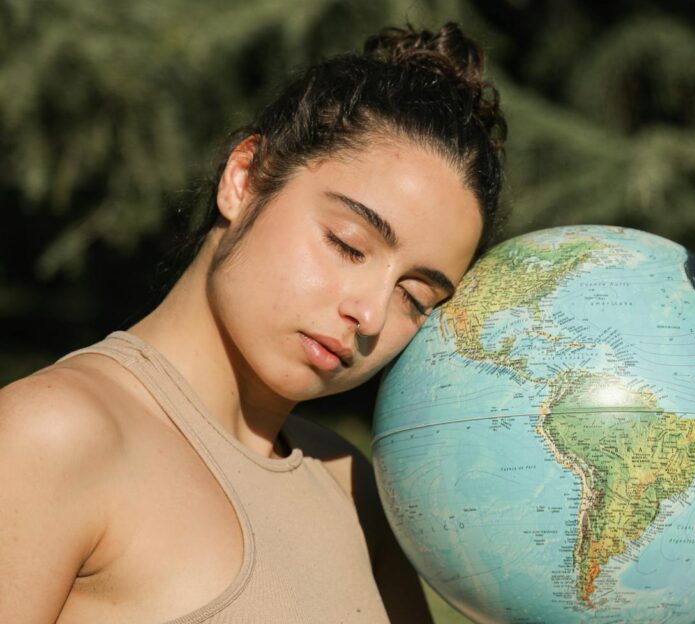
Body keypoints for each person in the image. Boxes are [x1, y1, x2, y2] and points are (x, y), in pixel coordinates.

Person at [0, 23, 504, 623]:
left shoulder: (356, 491)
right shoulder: (53, 434)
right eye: (348, 244)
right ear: (244, 179)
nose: (369, 315)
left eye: (415, 298)